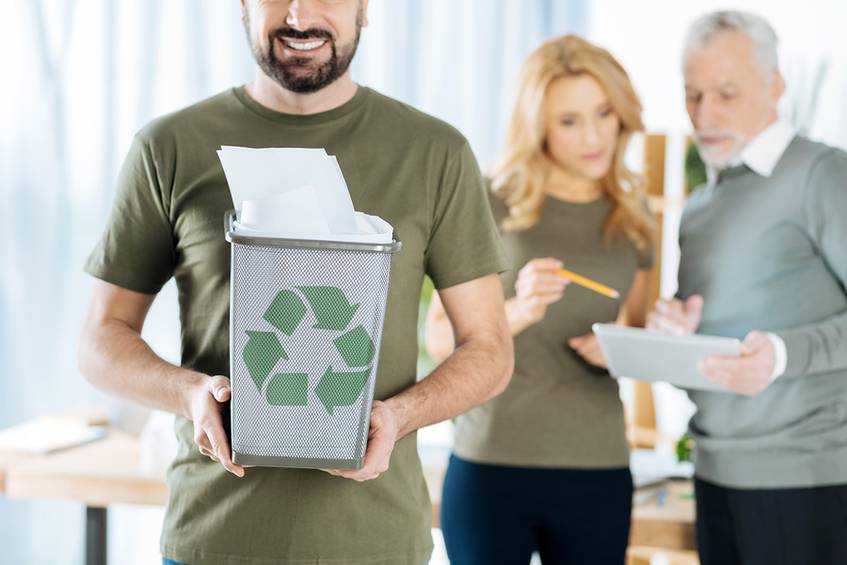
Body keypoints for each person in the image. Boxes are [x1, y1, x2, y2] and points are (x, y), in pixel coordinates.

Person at [77, 1, 514, 564]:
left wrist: (400, 416)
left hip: (375, 542)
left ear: (364, 9)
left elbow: (491, 349)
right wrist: (187, 394)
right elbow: (98, 340)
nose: (300, 14)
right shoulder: (169, 146)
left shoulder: (435, 153)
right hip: (214, 539)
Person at [425, 35, 656, 565]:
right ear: (538, 127)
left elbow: (638, 333)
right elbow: (439, 339)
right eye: (569, 121)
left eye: (604, 113)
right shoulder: (489, 197)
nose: (594, 136)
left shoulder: (635, 213)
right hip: (491, 463)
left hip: (597, 466)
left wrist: (636, 344)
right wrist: (521, 311)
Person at [647, 10, 847, 565]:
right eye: (693, 95)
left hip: (806, 480)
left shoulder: (824, 175)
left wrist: (782, 355)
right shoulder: (701, 207)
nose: (705, 114)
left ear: (775, 87)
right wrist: (681, 345)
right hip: (714, 475)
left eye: (727, 94)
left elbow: (774, 355)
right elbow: (719, 367)